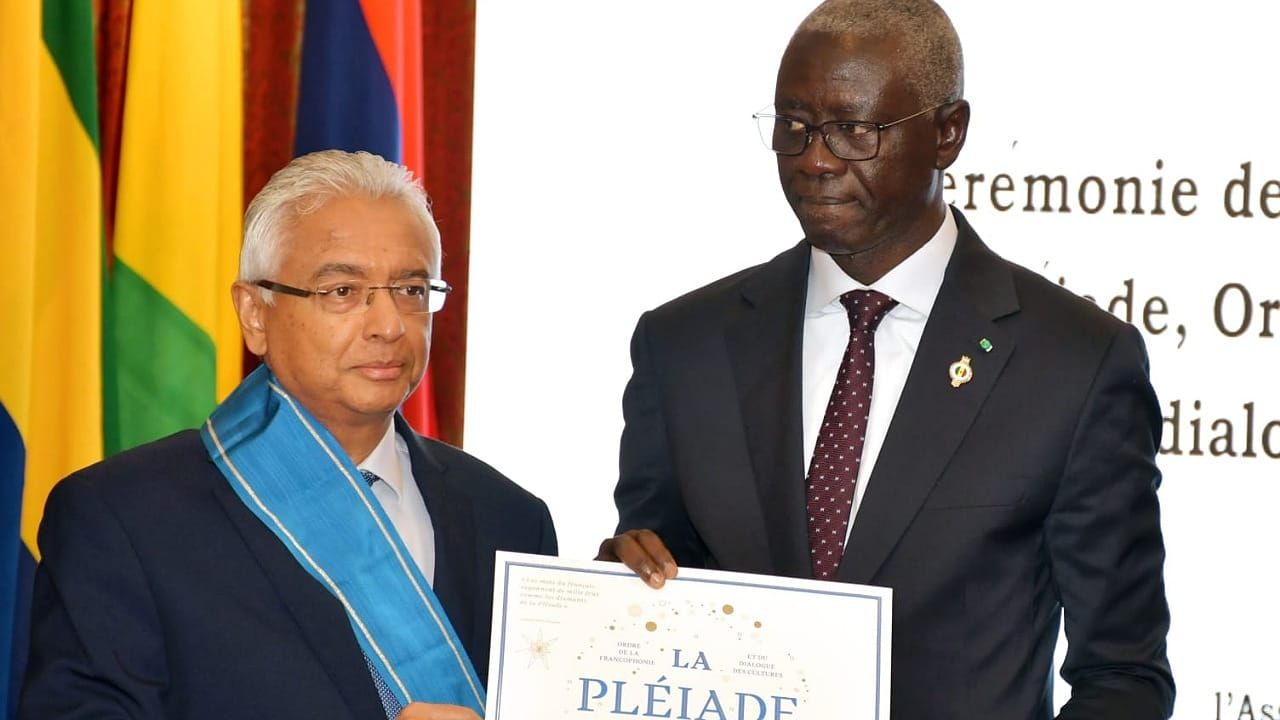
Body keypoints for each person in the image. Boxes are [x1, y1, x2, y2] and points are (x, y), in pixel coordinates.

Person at [597, 2, 1174, 718]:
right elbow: (655, 580)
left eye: (854, 130)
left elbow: (1123, 675)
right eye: (794, 126)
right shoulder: (683, 347)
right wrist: (618, 598)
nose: (814, 159)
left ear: (947, 133)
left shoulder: (1075, 364)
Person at [20, 150, 556, 719]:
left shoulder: (510, 520)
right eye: (342, 291)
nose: (389, 325)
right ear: (255, 313)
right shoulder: (124, 517)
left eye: (411, 290)